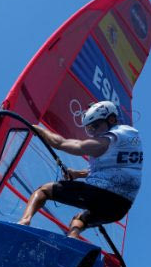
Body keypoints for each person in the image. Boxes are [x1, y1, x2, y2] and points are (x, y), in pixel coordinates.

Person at [17, 101, 143, 239]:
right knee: (79, 220)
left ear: (111, 120)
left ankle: (24, 221)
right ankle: (73, 240)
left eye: (95, 126)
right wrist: (78, 174)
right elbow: (115, 169)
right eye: (90, 129)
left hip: (100, 195)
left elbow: (61, 144)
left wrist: (40, 131)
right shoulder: (130, 137)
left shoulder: (107, 140)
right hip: (120, 207)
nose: (94, 132)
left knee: (44, 190)